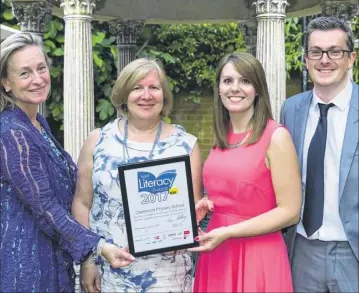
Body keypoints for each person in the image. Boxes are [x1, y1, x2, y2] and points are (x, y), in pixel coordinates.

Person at [0, 32, 135, 293]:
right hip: (25, 270)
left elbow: (72, 191)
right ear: (6, 82)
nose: (38, 79)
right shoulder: (12, 133)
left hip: (50, 261)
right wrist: (99, 247)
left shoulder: (36, 124)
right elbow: (45, 207)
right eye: (24, 73)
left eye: (41, 68)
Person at [72, 57, 203, 292]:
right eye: (137, 87)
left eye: (154, 87)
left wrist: (189, 226)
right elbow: (82, 203)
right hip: (106, 271)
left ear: (164, 95)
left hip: (166, 274)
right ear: (124, 94)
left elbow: (192, 209)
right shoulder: (98, 141)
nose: (146, 95)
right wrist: (88, 259)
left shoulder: (185, 146)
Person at [190, 52, 302, 293]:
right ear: (218, 89)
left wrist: (229, 232)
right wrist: (204, 205)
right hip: (217, 252)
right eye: (227, 81)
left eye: (245, 81)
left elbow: (290, 212)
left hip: (258, 254)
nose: (235, 88)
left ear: (257, 88)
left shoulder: (276, 136)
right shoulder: (222, 137)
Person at [280, 16, 358, 292]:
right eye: (316, 52)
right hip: (301, 250)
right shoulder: (290, 110)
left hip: (353, 253)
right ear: (306, 59)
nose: (325, 60)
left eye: (335, 51)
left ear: (351, 59)